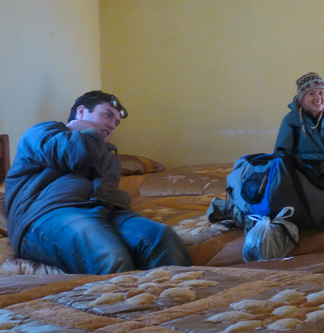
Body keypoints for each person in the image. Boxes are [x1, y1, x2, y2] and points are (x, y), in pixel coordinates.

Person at [4, 90, 191, 275]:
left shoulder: (108, 158)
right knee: (111, 255)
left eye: (116, 123)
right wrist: (88, 131)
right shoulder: (43, 132)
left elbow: (109, 196)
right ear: (82, 112)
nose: (112, 126)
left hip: (103, 214)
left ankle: (180, 302)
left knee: (161, 237)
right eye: (107, 116)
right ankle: (127, 303)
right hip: (45, 217)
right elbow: (76, 155)